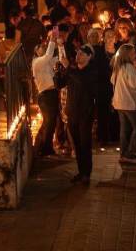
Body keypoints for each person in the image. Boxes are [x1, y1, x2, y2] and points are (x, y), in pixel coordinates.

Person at [57, 44, 99, 184]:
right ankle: (81, 172)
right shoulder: (73, 71)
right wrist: (60, 71)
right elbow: (59, 84)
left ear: (89, 57)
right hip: (72, 111)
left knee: (85, 143)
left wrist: (68, 68)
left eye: (81, 54)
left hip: (85, 113)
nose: (78, 56)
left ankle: (86, 173)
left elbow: (81, 81)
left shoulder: (91, 71)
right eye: (78, 53)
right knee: (76, 143)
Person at [111, 43, 136, 162]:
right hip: (129, 103)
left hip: (119, 102)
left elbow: (112, 81)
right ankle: (130, 152)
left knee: (124, 128)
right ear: (127, 54)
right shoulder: (129, 67)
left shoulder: (118, 67)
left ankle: (123, 153)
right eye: (133, 53)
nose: (135, 54)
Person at [31, 35, 59, 156]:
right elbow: (48, 56)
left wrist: (59, 45)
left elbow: (56, 59)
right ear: (36, 52)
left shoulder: (46, 62)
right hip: (45, 95)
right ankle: (44, 147)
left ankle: (46, 146)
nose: (42, 47)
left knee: (51, 122)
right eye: (39, 47)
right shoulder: (37, 62)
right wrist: (52, 41)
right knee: (49, 122)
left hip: (52, 93)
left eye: (43, 46)